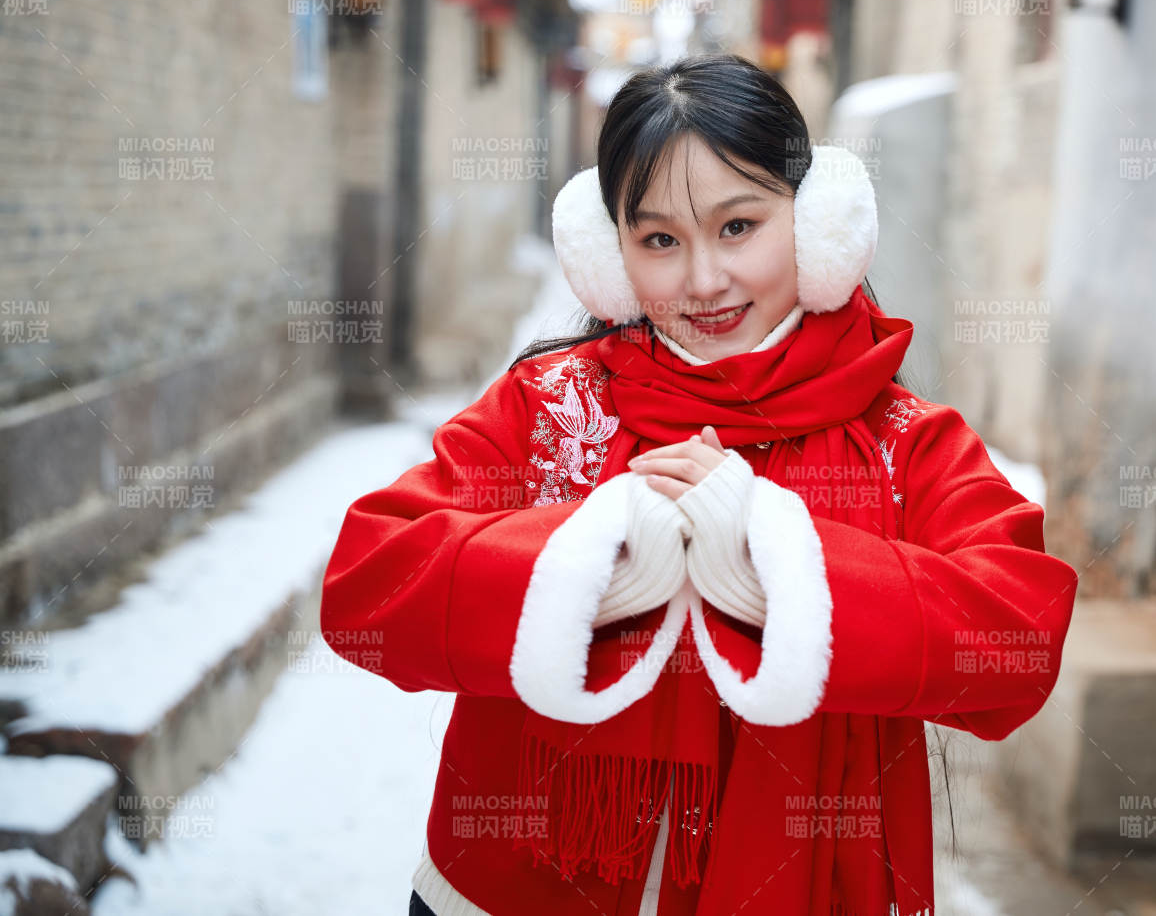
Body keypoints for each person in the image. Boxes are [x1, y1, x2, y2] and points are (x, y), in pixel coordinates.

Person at [321, 52, 1080, 916]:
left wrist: (779, 562)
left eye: (737, 226)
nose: (704, 280)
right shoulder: (551, 405)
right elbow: (365, 580)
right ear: (609, 254)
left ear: (816, 219)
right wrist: (586, 561)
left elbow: (1019, 633)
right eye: (658, 241)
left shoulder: (900, 439)